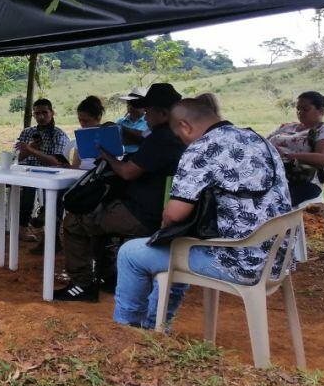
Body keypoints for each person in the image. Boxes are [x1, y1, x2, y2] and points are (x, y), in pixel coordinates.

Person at [114, 97, 293, 329]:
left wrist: (163, 229)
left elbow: (174, 215)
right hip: (277, 258)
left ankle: (126, 330)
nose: (183, 143)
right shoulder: (258, 139)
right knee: (178, 246)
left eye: (180, 137)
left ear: (184, 126)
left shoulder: (202, 148)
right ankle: (154, 326)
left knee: (131, 253)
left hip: (238, 261)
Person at [56, 83, 186, 302]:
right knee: (99, 219)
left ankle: (82, 284)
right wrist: (122, 133)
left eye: (148, 111)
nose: (146, 115)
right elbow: (143, 142)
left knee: (75, 221)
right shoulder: (176, 135)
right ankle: (108, 277)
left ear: (163, 113)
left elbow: (127, 173)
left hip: (140, 214)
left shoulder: (161, 139)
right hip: (162, 211)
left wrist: (106, 155)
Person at [14, 98, 70, 249]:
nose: (40, 117)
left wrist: (31, 149)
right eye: (37, 113)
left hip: (49, 174)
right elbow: (16, 159)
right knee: (27, 185)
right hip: (26, 172)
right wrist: (28, 148)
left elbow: (55, 162)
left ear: (52, 113)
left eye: (44, 113)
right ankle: (23, 227)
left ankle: (48, 228)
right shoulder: (27, 132)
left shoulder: (58, 134)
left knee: (44, 188)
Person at [267, 91, 324, 206]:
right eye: (298, 109)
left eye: (305, 109)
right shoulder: (286, 126)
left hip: (302, 182)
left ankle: (283, 223)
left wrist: (287, 155)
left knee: (269, 201)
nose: (300, 112)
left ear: (321, 111)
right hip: (271, 175)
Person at [71, 95, 105, 170]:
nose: (82, 124)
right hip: (83, 176)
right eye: (80, 120)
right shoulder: (81, 136)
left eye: (86, 121)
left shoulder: (110, 134)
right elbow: (75, 166)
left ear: (98, 117)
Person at [116, 87, 149, 153]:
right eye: (129, 103)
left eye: (135, 104)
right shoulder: (119, 122)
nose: (130, 106)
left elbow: (147, 141)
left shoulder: (149, 123)